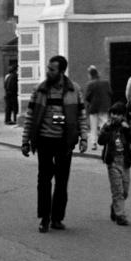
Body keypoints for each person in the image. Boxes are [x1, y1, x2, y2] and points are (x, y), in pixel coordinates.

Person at [21, 55, 86, 232]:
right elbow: (30, 117)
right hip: (44, 141)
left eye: (52, 69)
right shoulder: (40, 90)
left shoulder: (74, 90)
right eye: (48, 68)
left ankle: (57, 218)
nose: (48, 72)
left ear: (61, 71)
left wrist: (84, 138)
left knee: (62, 181)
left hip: (65, 142)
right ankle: (44, 218)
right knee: (43, 180)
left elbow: (81, 115)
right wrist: (25, 141)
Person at [98, 101, 131, 225]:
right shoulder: (107, 126)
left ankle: (115, 207)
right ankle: (120, 215)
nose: (114, 116)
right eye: (113, 114)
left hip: (125, 162)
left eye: (118, 114)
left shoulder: (127, 127)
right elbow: (101, 141)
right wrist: (106, 129)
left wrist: (128, 130)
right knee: (118, 190)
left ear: (123, 116)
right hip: (113, 162)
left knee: (125, 191)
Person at [83, 64, 112, 151]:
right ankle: (106, 142)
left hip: (93, 107)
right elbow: (110, 93)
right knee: (105, 124)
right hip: (104, 106)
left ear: (90, 74)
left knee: (93, 127)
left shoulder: (90, 84)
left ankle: (94, 144)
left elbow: (87, 97)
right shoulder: (106, 83)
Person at [3, 60, 19, 125]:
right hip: (12, 94)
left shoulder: (8, 76)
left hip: (7, 94)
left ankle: (7, 120)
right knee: (15, 107)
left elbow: (5, 85)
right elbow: (13, 86)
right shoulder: (15, 76)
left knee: (8, 108)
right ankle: (15, 120)